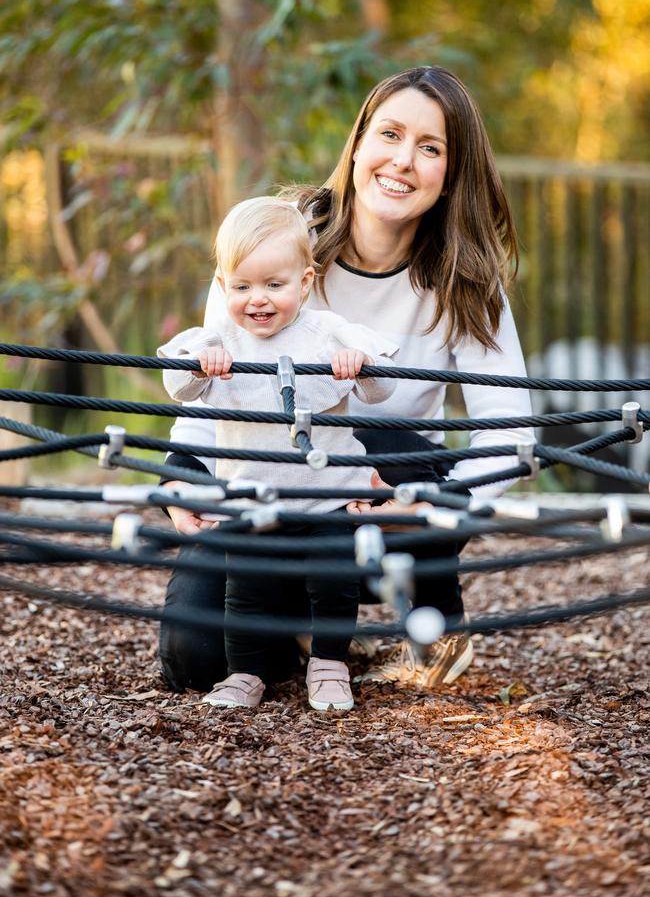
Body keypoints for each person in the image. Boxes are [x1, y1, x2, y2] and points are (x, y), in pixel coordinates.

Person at [160, 65, 535, 694]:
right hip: (267, 480)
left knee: (384, 443)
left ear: (451, 175)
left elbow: (511, 427)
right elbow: (216, 377)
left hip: (383, 488)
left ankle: (426, 627)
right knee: (196, 660)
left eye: (430, 147)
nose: (403, 161)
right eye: (389, 134)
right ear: (358, 144)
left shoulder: (465, 277)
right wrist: (184, 474)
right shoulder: (279, 239)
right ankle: (303, 622)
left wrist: (435, 510)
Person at [158, 196, 397, 710]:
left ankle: (330, 665)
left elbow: (381, 390)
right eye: (242, 286)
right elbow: (177, 386)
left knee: (334, 583)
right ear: (223, 288)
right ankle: (246, 673)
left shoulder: (327, 333)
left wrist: (361, 364)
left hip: (326, 499)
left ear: (305, 283)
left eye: (274, 285)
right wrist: (199, 365)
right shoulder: (217, 339)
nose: (257, 299)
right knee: (246, 592)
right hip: (250, 500)